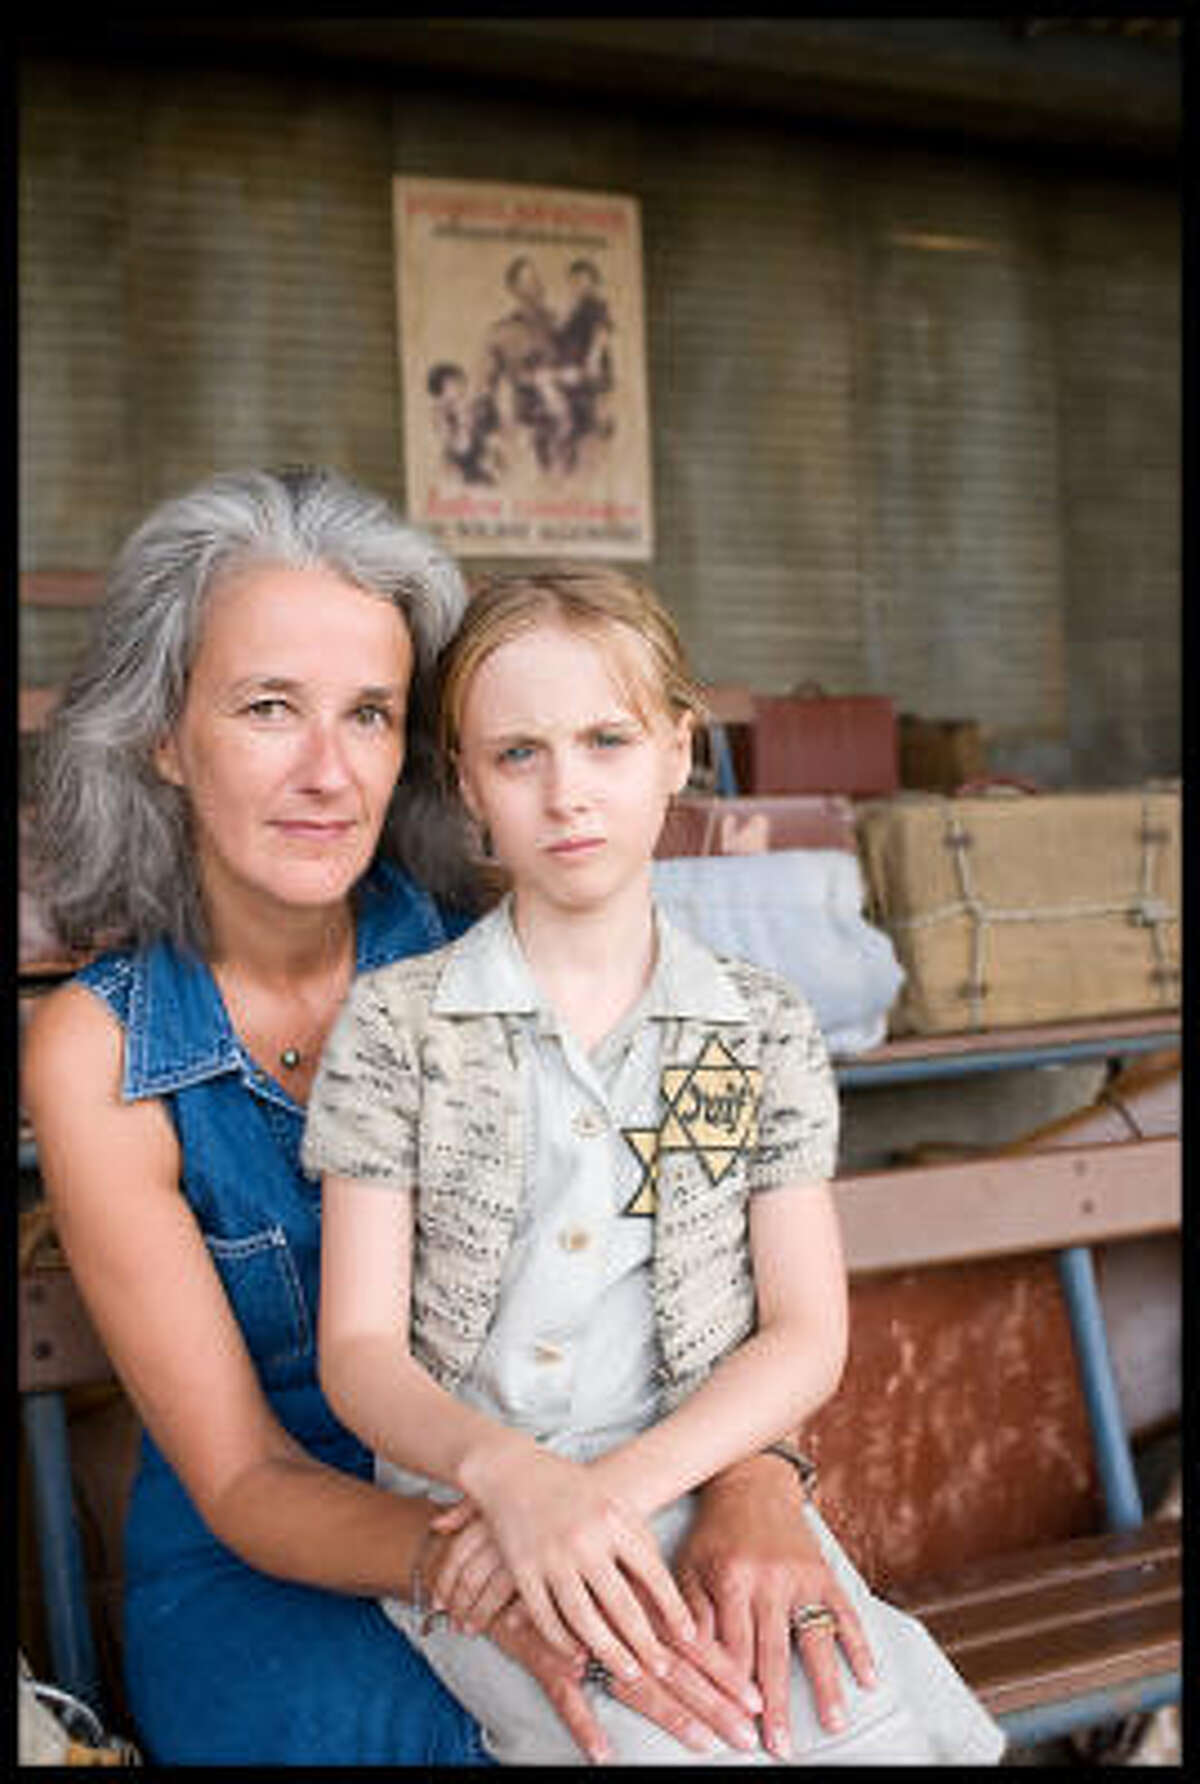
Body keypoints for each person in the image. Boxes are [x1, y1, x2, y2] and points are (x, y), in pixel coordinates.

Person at [22, 467, 884, 1767]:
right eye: (268, 708)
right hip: (281, 1573)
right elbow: (246, 1479)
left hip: (581, 1504)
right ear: (164, 735)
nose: (328, 772)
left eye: (369, 714)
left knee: (776, 1713)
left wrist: (761, 1482)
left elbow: (715, 1287)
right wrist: (499, 1559)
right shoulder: (104, 1049)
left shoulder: (510, 954)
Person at [303, 566, 1008, 1766]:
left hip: (688, 1473)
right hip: (479, 1508)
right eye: (518, 754)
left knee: (857, 1724)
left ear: (679, 749)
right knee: (671, 1743)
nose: (567, 790)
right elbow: (358, 1350)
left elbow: (804, 1330)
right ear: (466, 783)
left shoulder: (754, 1027)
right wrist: (514, 1480)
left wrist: (618, 1490)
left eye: (607, 740)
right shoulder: (398, 1026)